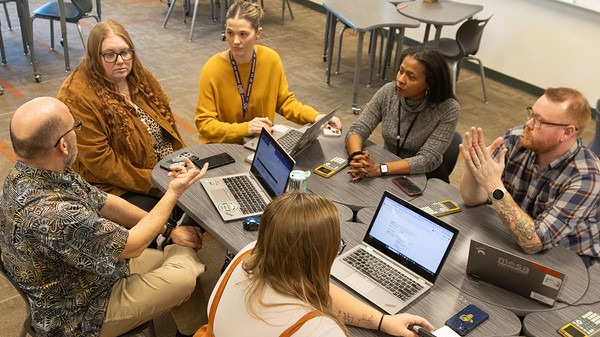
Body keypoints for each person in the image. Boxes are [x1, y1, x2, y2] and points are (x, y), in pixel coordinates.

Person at [1, 97, 208, 337]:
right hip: (81, 313)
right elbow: (133, 246)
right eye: (75, 127)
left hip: (85, 276)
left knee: (177, 253)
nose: (78, 133)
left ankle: (195, 332)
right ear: (62, 146)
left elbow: (106, 203)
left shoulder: (32, 174)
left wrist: (168, 231)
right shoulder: (55, 213)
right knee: (185, 271)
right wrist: (173, 192)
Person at [195, 192, 434, 337]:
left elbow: (317, 290)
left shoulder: (248, 254)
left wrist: (382, 321)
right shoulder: (318, 329)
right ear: (320, 256)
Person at [56, 20, 199, 247]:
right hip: (114, 186)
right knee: (161, 220)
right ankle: (169, 252)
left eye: (125, 52)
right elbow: (102, 164)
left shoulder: (139, 76)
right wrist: (157, 182)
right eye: (110, 55)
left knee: (204, 194)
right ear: (95, 56)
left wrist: (181, 162)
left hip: (160, 170)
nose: (121, 61)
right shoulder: (77, 97)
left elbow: (168, 125)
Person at [459, 87, 600, 267]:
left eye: (539, 121)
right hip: (516, 236)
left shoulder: (586, 177)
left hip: (567, 258)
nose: (529, 124)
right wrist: (475, 169)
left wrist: (494, 185)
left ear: (567, 132)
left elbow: (533, 243)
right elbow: (473, 199)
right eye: (532, 114)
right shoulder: (515, 140)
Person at [194, 0, 341, 145]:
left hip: (257, 143)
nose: (235, 41)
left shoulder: (270, 59)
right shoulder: (212, 69)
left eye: (243, 34)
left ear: (258, 33)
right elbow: (204, 124)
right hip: (222, 147)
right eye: (230, 33)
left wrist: (316, 117)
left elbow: (284, 102)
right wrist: (246, 128)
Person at [345, 46, 459, 183]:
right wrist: (357, 158)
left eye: (411, 77)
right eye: (401, 71)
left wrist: (380, 169)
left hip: (426, 178)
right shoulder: (388, 92)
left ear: (430, 83)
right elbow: (358, 129)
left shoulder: (448, 109)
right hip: (384, 168)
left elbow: (426, 160)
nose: (401, 79)